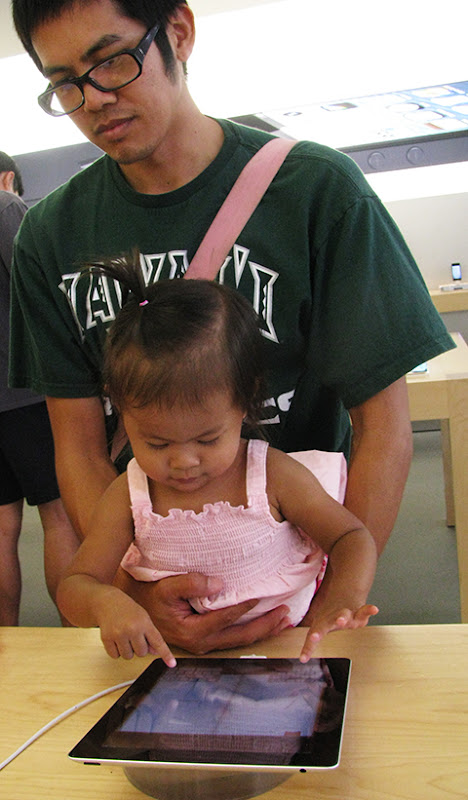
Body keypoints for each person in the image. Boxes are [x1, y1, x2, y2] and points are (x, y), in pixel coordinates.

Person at [10, 0, 453, 652]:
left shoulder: (317, 192)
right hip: (156, 609)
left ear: (178, 32)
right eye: (66, 83)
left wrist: (321, 605)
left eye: (112, 61)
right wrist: (136, 597)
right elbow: (77, 446)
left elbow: (383, 428)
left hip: (293, 598)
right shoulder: (50, 235)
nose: (94, 98)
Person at [57, 262, 378, 664]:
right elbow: (75, 585)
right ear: (121, 409)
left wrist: (342, 599)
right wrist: (106, 602)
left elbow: (351, 538)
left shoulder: (271, 476)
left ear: (246, 402)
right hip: (174, 658)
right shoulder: (131, 495)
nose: (184, 461)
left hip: (288, 646)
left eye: (207, 439)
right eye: (157, 442)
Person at [0, 151, 79, 625]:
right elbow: (41, 292)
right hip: (25, 392)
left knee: (0, 527)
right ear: (9, 177)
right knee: (59, 515)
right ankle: (71, 641)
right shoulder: (6, 206)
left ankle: (5, 648)